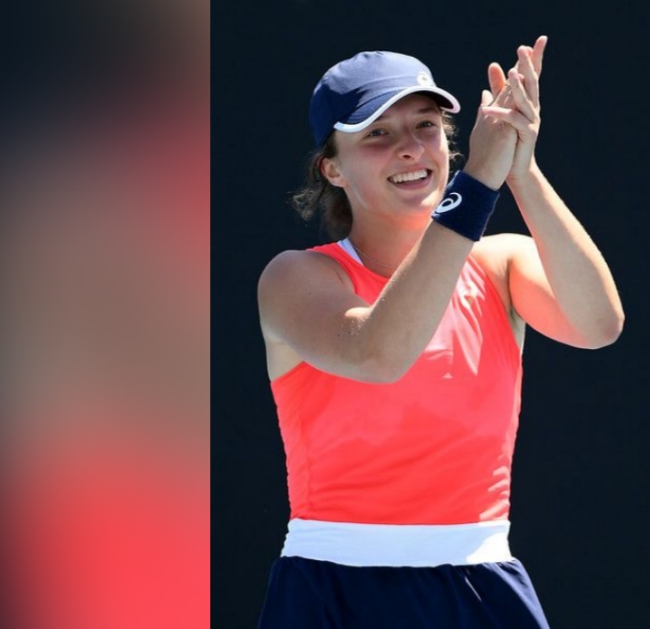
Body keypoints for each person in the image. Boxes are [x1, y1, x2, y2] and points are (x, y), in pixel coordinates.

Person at [256, 36, 624, 628]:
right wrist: (477, 183)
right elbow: (378, 355)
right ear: (333, 168)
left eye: (425, 125)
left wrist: (520, 170)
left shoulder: (501, 263)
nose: (409, 147)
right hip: (331, 588)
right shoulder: (296, 277)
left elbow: (599, 325)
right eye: (377, 133)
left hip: (482, 585)